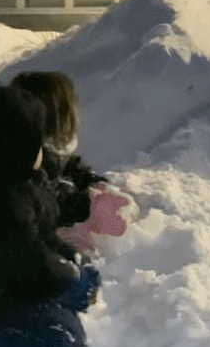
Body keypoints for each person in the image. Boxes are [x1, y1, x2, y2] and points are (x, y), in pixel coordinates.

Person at [0, 86, 100, 347]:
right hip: (3, 289)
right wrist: (68, 277)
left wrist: (72, 262)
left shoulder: (20, 175)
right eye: (36, 140)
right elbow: (32, 266)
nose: (43, 148)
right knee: (62, 342)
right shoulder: (3, 205)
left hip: (14, 274)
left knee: (86, 277)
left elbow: (41, 232)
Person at [10, 71, 135, 255]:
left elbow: (68, 165)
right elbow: (36, 199)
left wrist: (91, 181)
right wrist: (79, 203)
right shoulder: (16, 157)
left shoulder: (45, 149)